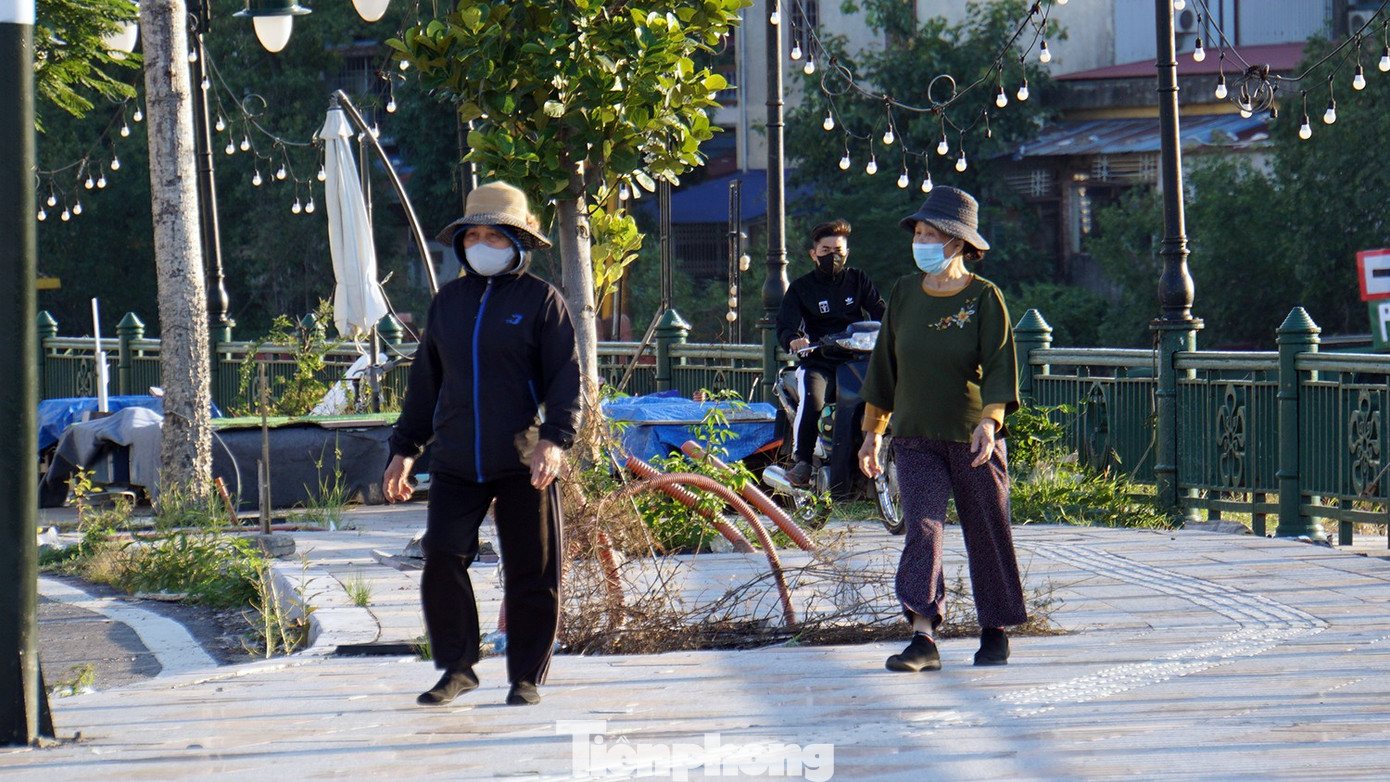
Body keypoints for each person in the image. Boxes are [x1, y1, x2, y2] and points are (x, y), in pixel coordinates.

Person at [382, 181, 582, 707]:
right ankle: (457, 668)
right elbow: (425, 383)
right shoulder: (448, 303)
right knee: (442, 557)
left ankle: (527, 677)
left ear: (518, 241)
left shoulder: (542, 302)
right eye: (473, 235)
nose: (481, 244)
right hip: (454, 459)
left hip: (523, 459)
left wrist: (555, 440)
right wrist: (404, 450)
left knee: (532, 571)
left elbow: (566, 379)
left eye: (494, 236)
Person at [856, 186, 1027, 672]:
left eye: (931, 234)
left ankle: (994, 631)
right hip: (914, 437)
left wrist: (990, 422)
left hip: (974, 439)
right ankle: (923, 636)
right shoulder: (904, 293)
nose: (921, 242)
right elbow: (885, 366)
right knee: (923, 532)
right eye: (918, 233)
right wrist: (873, 432)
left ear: (958, 242)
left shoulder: (984, 297)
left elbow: (1000, 366)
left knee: (987, 532)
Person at [775, 219, 885, 489]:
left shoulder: (858, 280)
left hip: (857, 360)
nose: (832, 256)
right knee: (813, 400)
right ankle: (802, 461)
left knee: (885, 394)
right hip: (818, 362)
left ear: (847, 253)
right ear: (814, 254)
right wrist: (794, 340)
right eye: (825, 251)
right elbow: (786, 326)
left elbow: (880, 311)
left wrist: (896, 329)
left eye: (838, 250)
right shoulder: (801, 288)